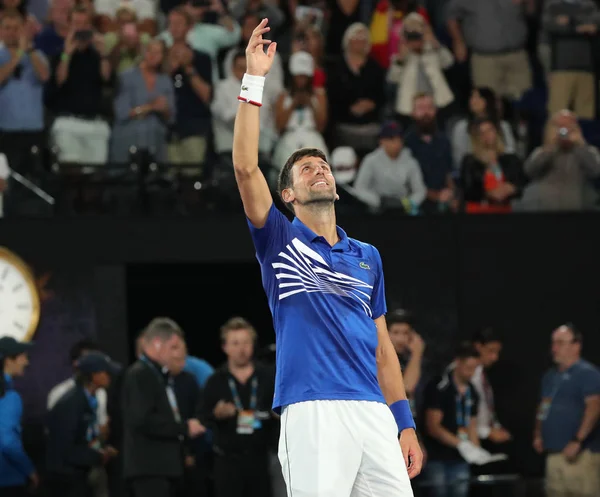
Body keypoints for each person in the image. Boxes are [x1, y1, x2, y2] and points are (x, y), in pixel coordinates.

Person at [231, 18, 423, 497]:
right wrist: (254, 78)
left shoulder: (368, 257)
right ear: (288, 194)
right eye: (305, 168)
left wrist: (405, 423)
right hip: (312, 409)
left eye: (323, 166)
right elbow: (243, 165)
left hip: (375, 413)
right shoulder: (278, 239)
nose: (319, 170)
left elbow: (384, 350)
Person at [122, 317, 205, 497]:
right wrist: (184, 428)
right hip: (150, 470)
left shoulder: (157, 374)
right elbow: (142, 420)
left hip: (162, 470)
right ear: (157, 344)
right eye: (174, 347)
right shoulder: (140, 374)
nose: (179, 354)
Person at [202, 317, 276, 497]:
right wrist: (216, 413)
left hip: (261, 459)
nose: (241, 349)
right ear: (225, 347)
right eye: (235, 343)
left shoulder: (268, 376)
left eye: (245, 342)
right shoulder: (215, 380)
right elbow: (202, 415)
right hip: (227, 462)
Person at [533, 324, 600, 497]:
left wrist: (578, 440)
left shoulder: (588, 374)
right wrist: (538, 432)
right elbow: (544, 406)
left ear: (576, 345)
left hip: (580, 455)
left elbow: (594, 407)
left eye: (560, 343)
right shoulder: (549, 377)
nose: (554, 348)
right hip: (553, 453)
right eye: (553, 343)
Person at [45, 352, 121, 497]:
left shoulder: (88, 399)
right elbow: (64, 450)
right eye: (106, 372)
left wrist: (100, 449)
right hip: (65, 480)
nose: (110, 376)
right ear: (94, 376)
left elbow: (82, 438)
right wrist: (98, 457)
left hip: (77, 475)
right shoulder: (71, 404)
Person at [0, 337, 38, 497]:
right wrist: (30, 470)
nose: (26, 362)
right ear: (9, 360)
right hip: (8, 482)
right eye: (23, 356)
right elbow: (7, 442)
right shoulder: (9, 396)